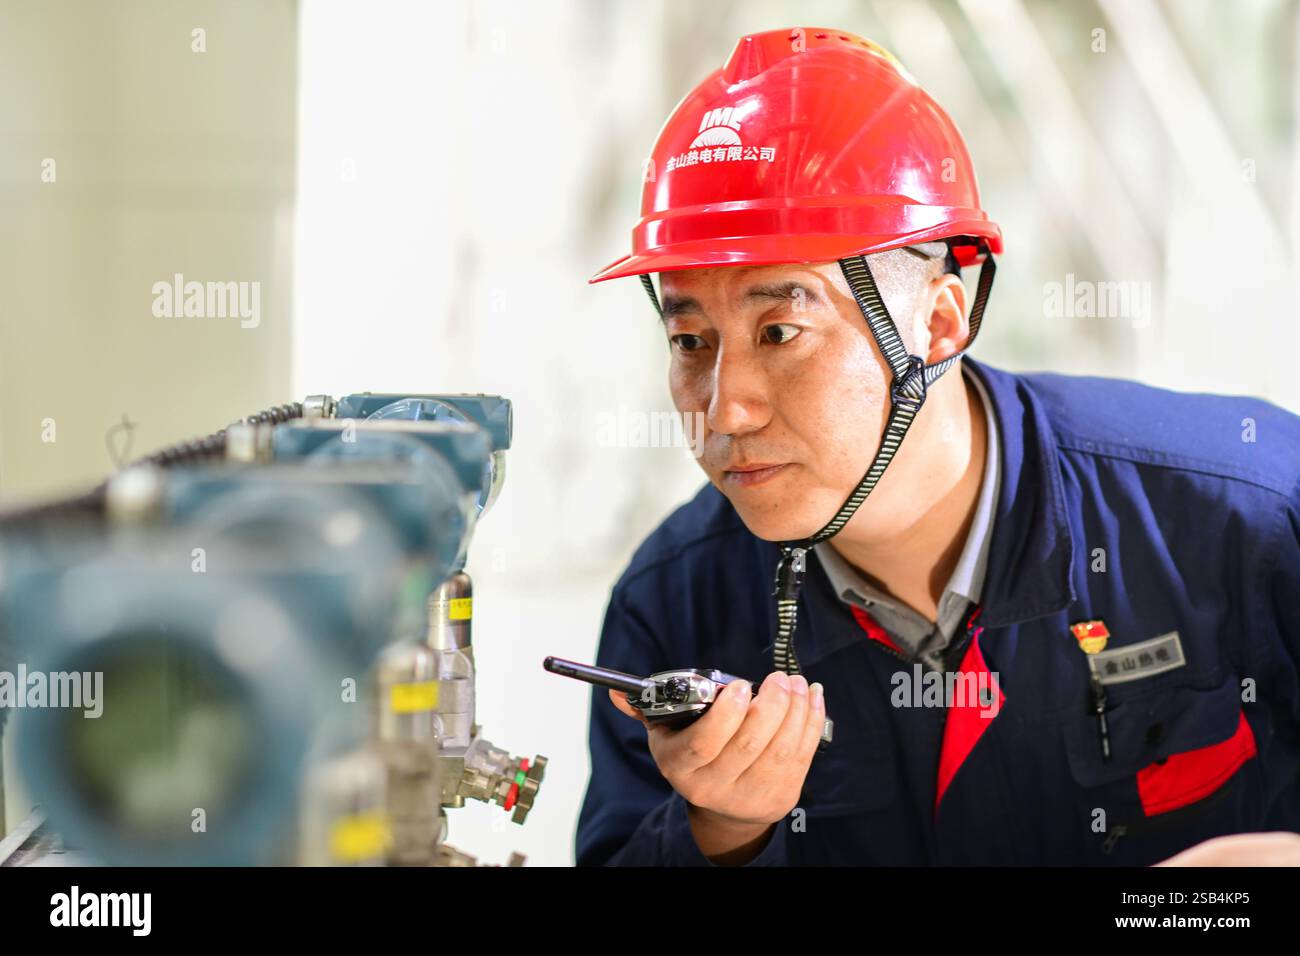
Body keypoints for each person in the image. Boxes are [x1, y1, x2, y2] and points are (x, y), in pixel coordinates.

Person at [575, 26, 1300, 866]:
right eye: (691, 343)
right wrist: (719, 835)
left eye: (780, 330)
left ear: (939, 322)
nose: (726, 410)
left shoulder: (1250, 518)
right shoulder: (675, 606)